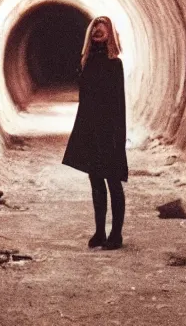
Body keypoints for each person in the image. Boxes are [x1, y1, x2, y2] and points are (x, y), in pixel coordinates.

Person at [62, 15, 128, 250]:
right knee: (96, 182)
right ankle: (100, 231)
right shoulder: (86, 62)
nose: (98, 33)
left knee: (113, 182)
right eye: (95, 30)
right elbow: (84, 101)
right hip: (90, 128)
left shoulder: (114, 63)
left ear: (110, 35)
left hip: (108, 130)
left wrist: (118, 137)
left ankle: (116, 235)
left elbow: (119, 104)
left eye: (103, 30)